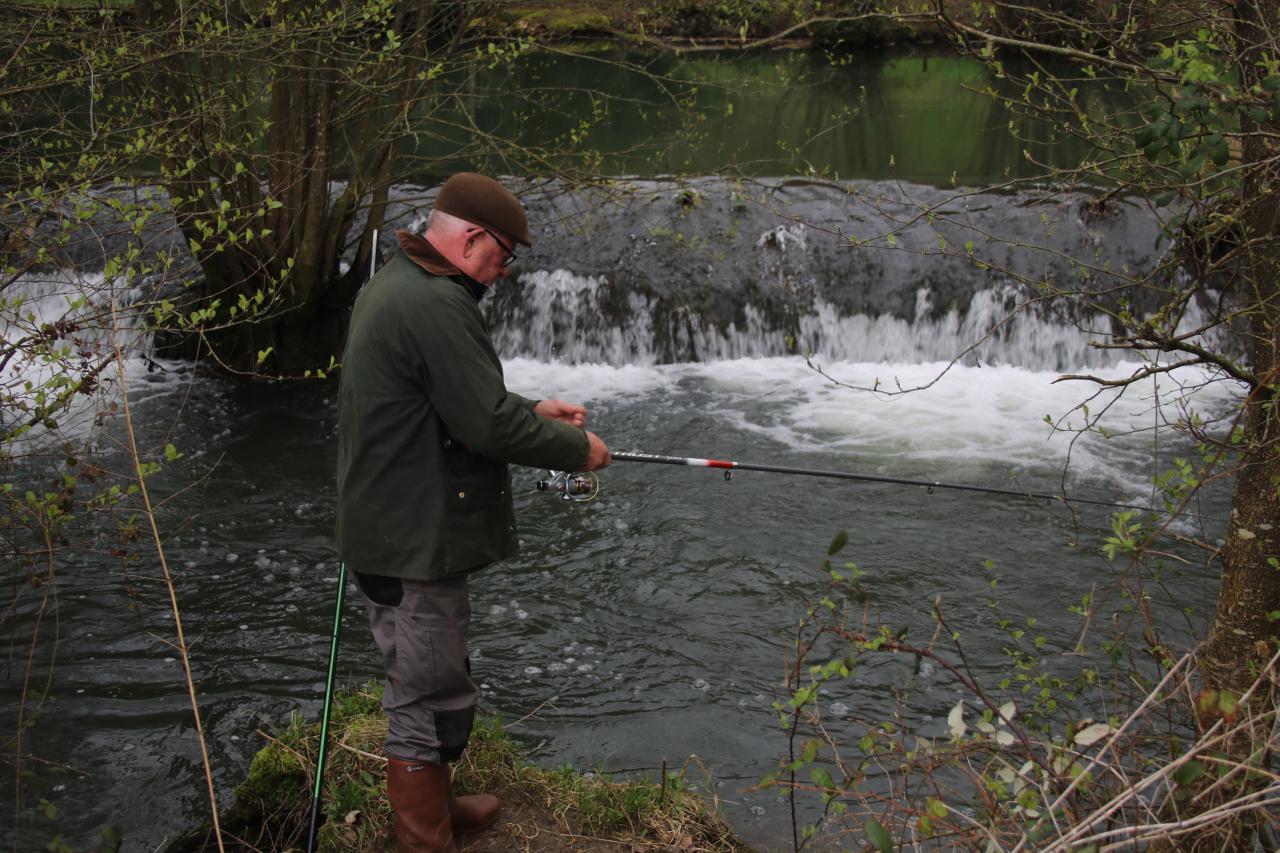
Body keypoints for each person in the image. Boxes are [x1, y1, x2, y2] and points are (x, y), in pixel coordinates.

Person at [335, 172, 611, 852]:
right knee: (423, 692)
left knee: (431, 673)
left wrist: (533, 407)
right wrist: (579, 448)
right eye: (504, 253)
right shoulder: (434, 303)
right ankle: (424, 836)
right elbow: (485, 426)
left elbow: (453, 400)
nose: (506, 269)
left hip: (392, 524)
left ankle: (437, 804)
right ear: (471, 236)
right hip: (413, 536)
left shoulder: (400, 283)